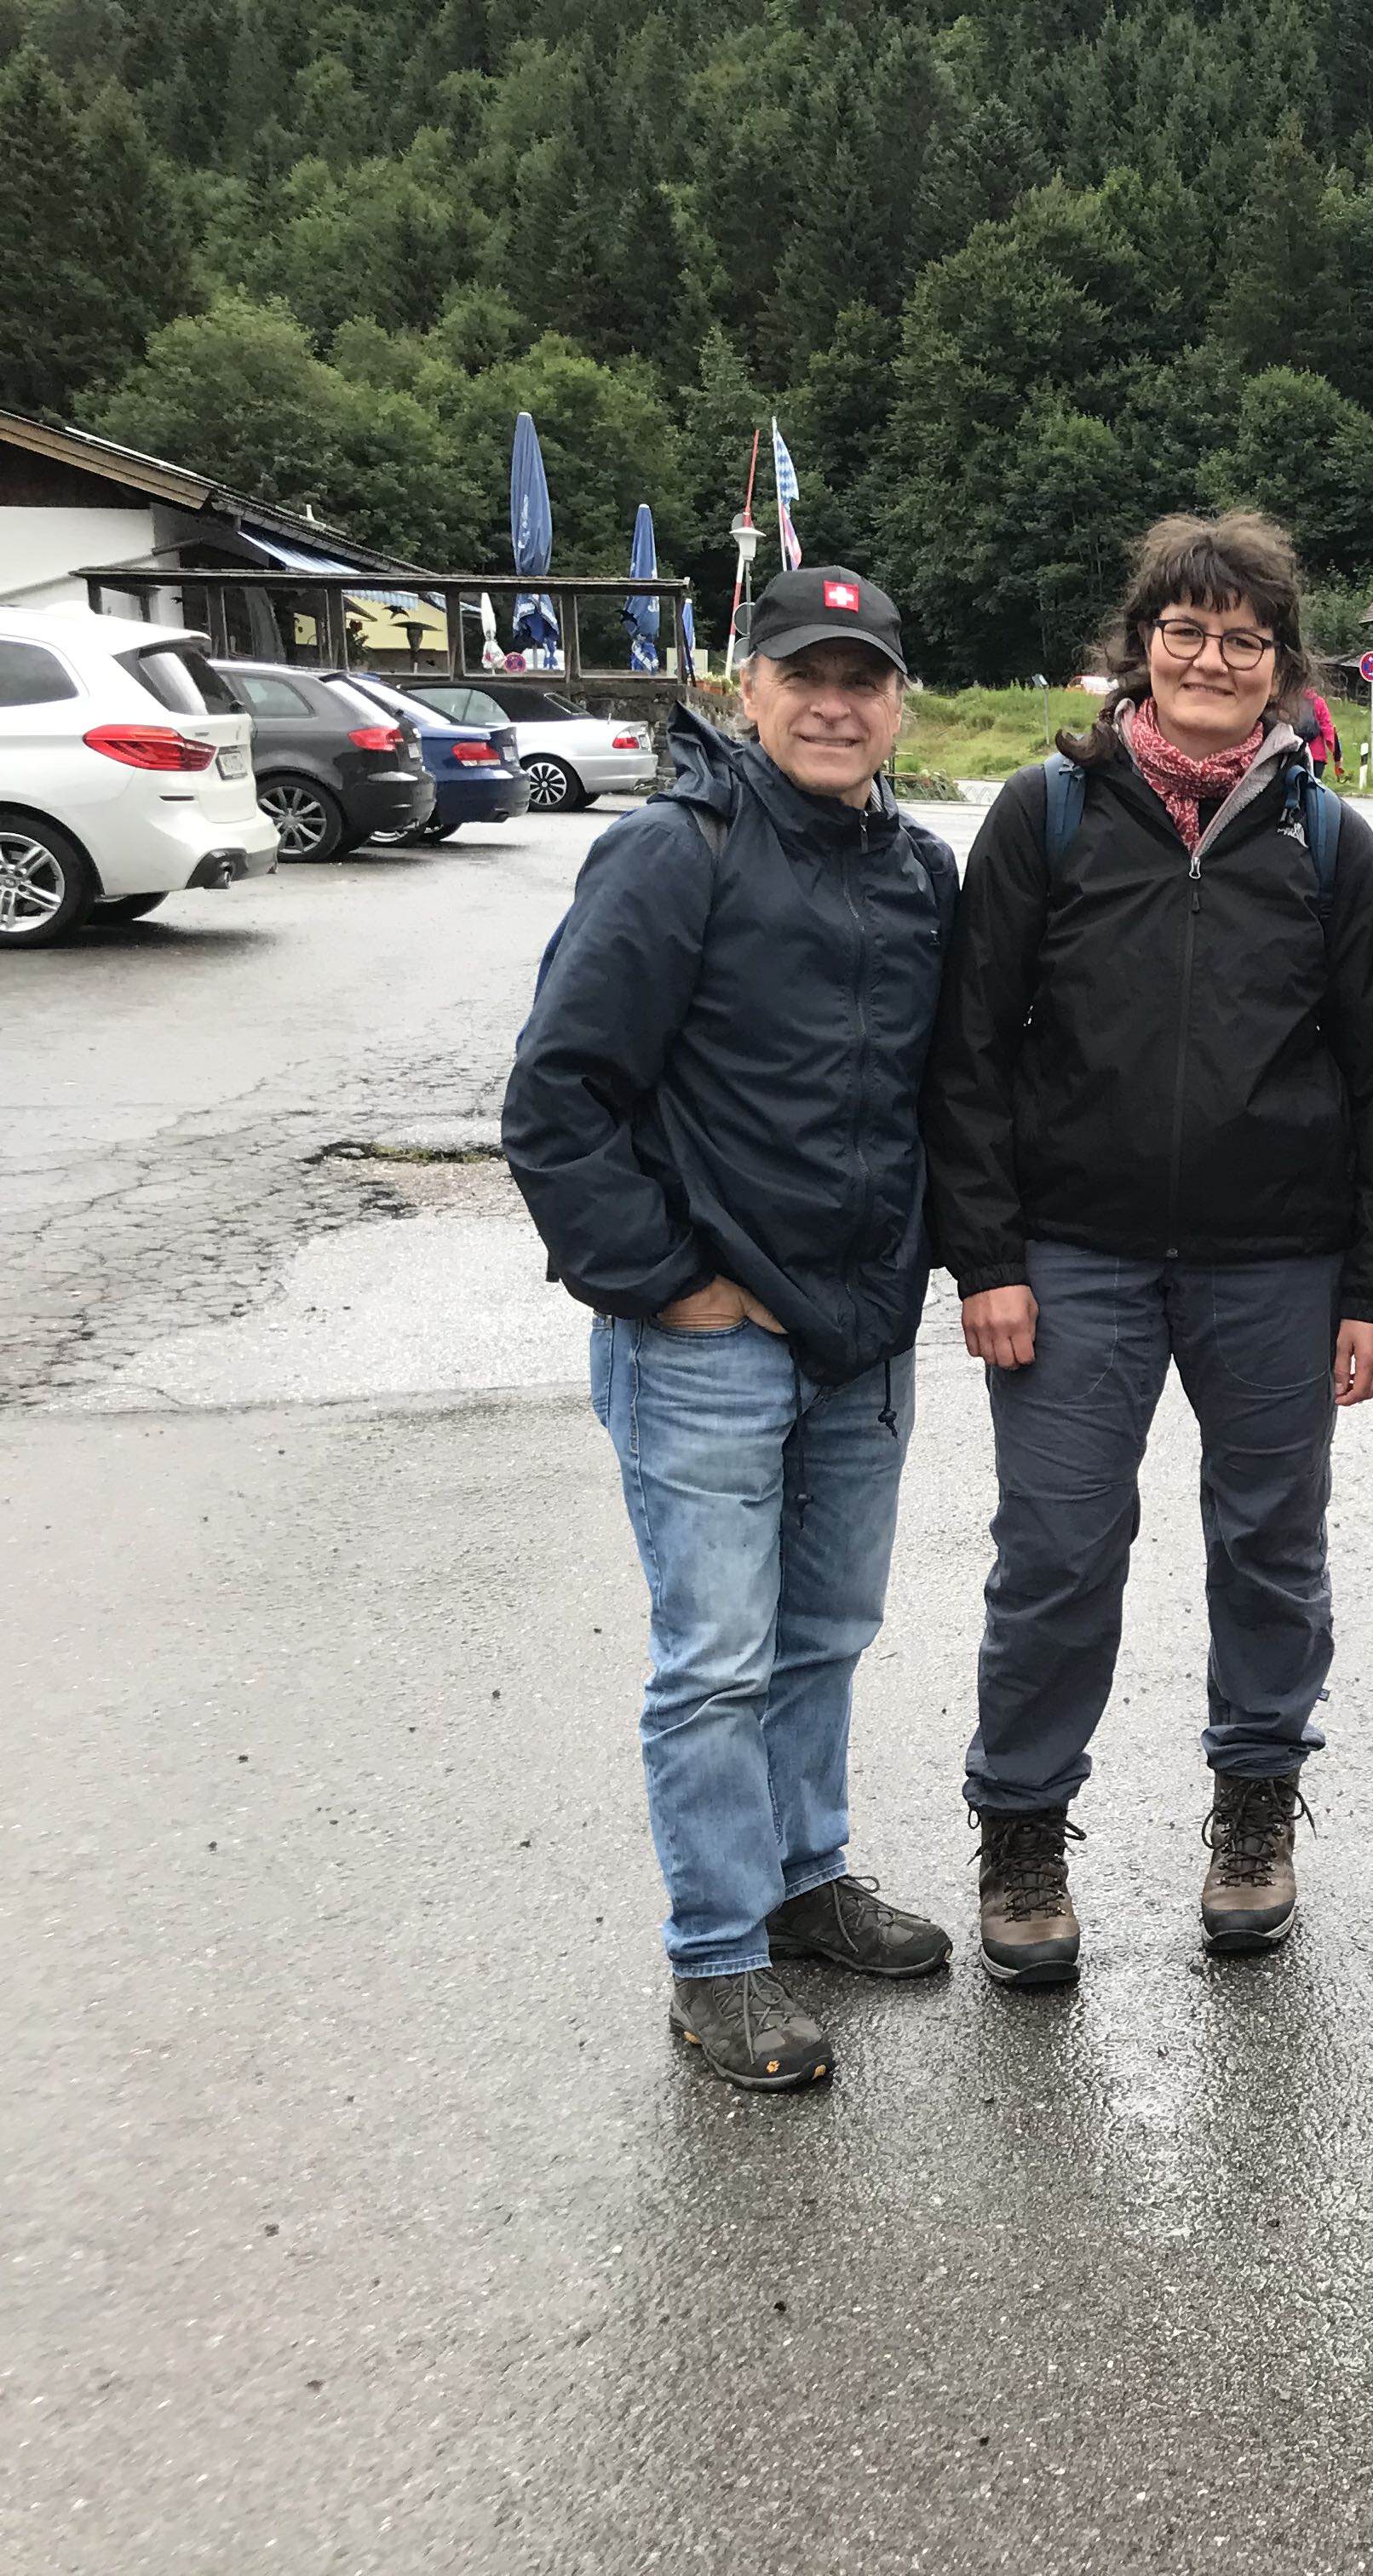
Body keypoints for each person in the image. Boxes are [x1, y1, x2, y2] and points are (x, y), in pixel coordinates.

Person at [922, 511, 1373, 1981]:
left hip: (1279, 1264)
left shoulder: (1326, 842)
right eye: (1186, 631)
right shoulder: (1046, 816)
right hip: (1073, 1259)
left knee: (1270, 1547)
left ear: (1281, 669)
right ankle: (1020, 1829)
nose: (1212, 659)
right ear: (1140, 646)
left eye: (1244, 640)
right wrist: (987, 1256)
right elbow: (968, 1053)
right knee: (1060, 1551)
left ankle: (1253, 1810)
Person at [505, 565, 957, 2090]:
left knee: (824, 1636)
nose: (836, 703)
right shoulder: (669, 855)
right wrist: (667, 1284)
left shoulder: (915, 871)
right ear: (747, 688)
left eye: (865, 677)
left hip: (860, 1334)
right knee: (715, 1658)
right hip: (709, 1336)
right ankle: (717, 1959)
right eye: (805, 675)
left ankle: (804, 1875)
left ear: (899, 700)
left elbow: (930, 1100)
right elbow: (557, 1103)